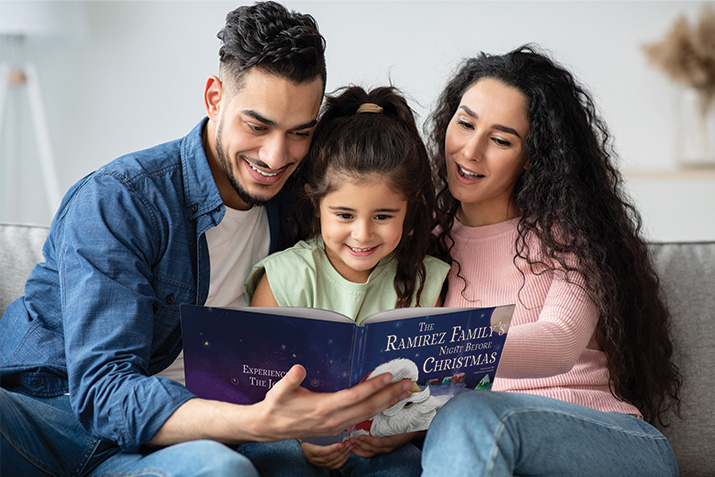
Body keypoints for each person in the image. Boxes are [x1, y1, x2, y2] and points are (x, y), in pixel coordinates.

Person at [0, 3, 415, 476]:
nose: (275, 156)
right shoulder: (123, 199)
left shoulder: (300, 201)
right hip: (55, 416)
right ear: (214, 98)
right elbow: (104, 393)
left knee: (391, 462)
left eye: (299, 133)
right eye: (256, 126)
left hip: (204, 432)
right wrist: (257, 422)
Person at [420, 45, 682, 476]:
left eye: (500, 140)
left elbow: (559, 342)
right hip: (480, 445)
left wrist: (437, 348)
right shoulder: (418, 238)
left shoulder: (569, 233)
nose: (469, 150)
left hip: (606, 440)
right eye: (464, 124)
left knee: (469, 415)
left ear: (531, 158)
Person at [240, 86, 450, 476]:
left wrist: (398, 434)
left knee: (406, 467)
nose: (363, 234)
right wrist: (305, 439)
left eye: (384, 216)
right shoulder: (285, 276)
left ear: (411, 204)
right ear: (315, 201)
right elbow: (255, 387)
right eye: (344, 215)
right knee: (277, 462)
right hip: (293, 438)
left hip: (382, 447)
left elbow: (432, 389)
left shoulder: (427, 280)